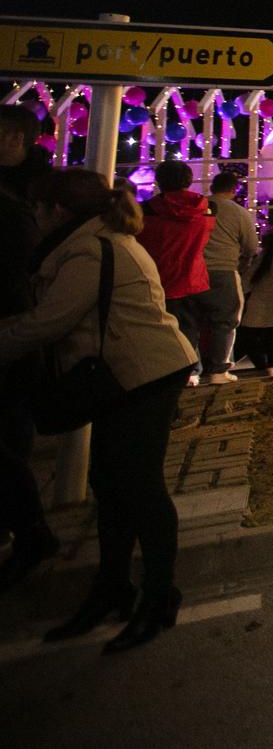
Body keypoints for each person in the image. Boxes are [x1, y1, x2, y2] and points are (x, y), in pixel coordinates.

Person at [0, 167, 198, 652]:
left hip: (143, 375)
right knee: (111, 487)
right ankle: (112, 589)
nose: (34, 218)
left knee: (139, 487)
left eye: (39, 209)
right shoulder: (91, 242)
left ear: (57, 211)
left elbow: (49, 322)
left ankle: (158, 595)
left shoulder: (91, 249)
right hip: (124, 375)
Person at [0, 105, 55, 591]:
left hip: (14, 331)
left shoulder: (27, 204)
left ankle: (28, 528)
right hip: (19, 329)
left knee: (7, 437)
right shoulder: (29, 197)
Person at [136, 161, 215, 388]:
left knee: (158, 329)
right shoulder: (206, 209)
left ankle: (165, 370)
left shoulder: (146, 211)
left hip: (157, 277)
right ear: (189, 180)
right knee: (189, 327)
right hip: (192, 277)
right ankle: (191, 369)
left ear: (159, 181)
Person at [195, 171, 256, 382]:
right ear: (234, 189)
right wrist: (243, 264)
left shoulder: (197, 207)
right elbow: (250, 246)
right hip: (224, 269)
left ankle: (191, 371)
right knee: (226, 320)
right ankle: (219, 369)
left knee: (191, 322)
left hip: (195, 270)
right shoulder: (239, 213)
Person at [236, 220, 273, 376]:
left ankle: (262, 366)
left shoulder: (259, 261)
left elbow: (245, 285)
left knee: (247, 338)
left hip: (258, 307)